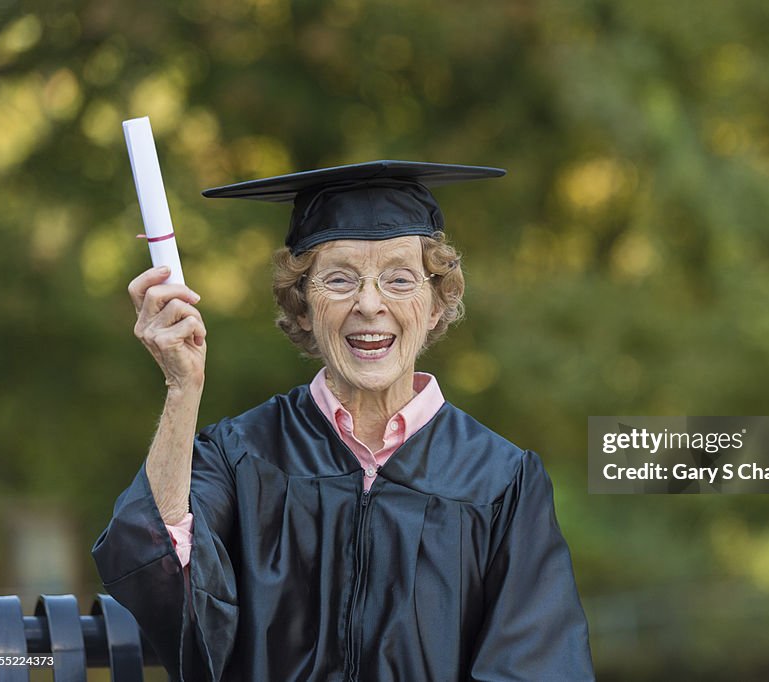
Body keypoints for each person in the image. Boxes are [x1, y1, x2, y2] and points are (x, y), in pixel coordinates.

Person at [93, 160, 595, 681]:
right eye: (339, 279)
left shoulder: (500, 480)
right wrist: (182, 388)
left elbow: (537, 667)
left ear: (437, 304)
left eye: (400, 279)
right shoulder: (242, 456)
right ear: (304, 306)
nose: (370, 304)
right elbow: (155, 566)